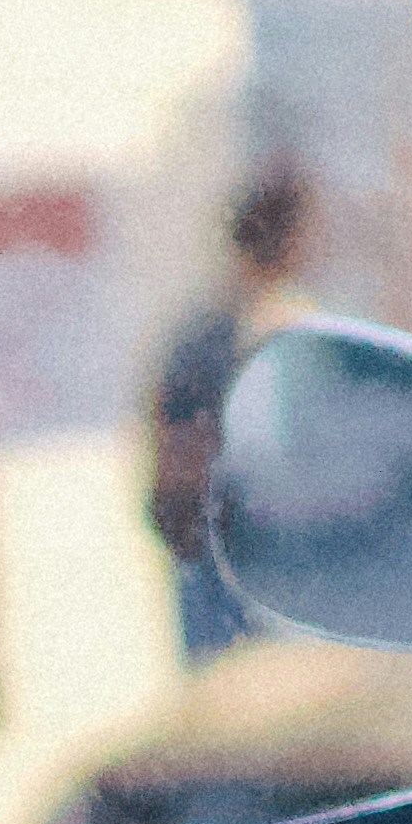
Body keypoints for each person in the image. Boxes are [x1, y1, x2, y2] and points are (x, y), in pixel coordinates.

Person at [145, 161, 312, 656]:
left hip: (223, 527)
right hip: (217, 529)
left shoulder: (239, 320)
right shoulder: (229, 328)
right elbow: (180, 429)